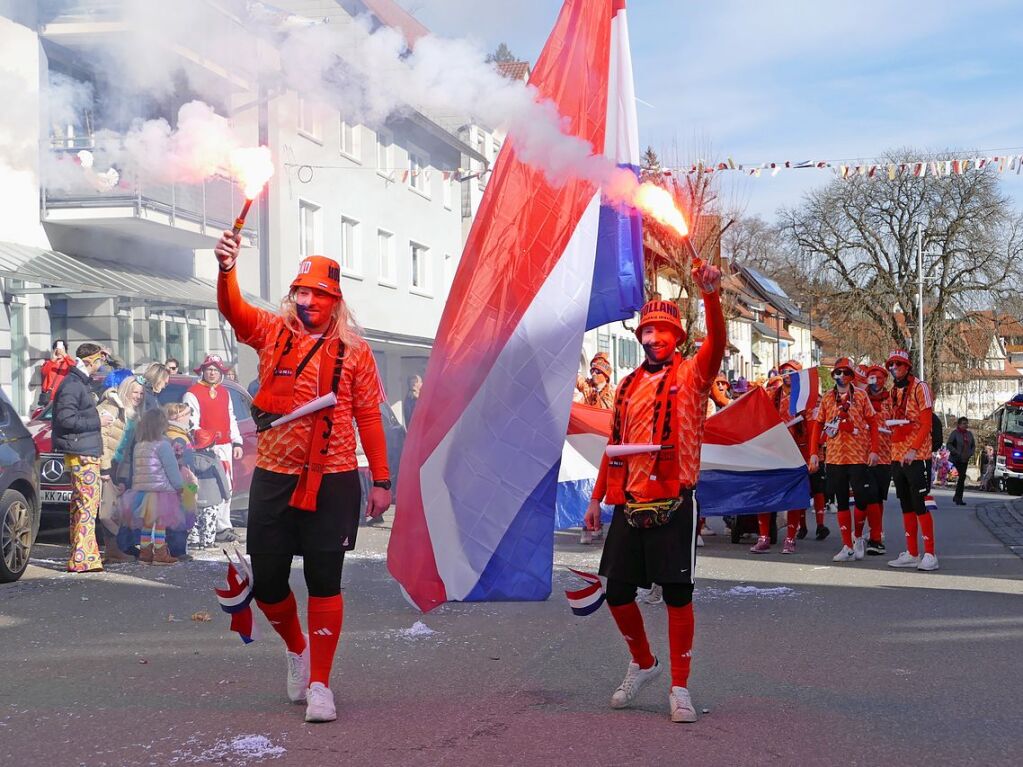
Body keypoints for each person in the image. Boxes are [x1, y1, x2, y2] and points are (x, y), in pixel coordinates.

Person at [215, 230, 391, 724]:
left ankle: (321, 685)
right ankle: (297, 650)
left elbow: (370, 417)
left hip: (333, 479)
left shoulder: (356, 351)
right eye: (302, 292)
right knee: (268, 582)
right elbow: (232, 310)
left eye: (319, 294)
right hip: (273, 476)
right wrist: (227, 269)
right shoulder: (271, 332)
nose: (309, 300)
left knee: (324, 581)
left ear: (336, 301)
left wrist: (380, 479)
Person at [583, 260, 725, 724]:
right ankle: (644, 662)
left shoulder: (692, 376)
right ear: (640, 337)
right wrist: (595, 499)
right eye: (648, 331)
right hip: (631, 502)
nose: (654, 337)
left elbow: (718, 345)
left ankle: (679, 687)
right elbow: (614, 446)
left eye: (663, 331)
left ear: (677, 337)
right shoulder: (625, 386)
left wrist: (711, 297)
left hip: (674, 501)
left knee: (678, 595)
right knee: (619, 593)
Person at [808, 356, 879, 563]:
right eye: (838, 372)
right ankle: (846, 545)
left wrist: (874, 450)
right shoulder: (828, 398)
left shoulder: (861, 396)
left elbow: (873, 423)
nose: (842, 376)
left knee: (861, 499)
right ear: (833, 375)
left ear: (852, 376)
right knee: (840, 501)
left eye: (846, 373)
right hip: (836, 457)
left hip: (858, 455)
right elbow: (817, 425)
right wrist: (814, 452)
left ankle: (858, 537)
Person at [52, 343, 111, 573]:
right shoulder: (73, 384)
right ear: (89, 361)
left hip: (84, 450)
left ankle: (86, 554)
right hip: (81, 453)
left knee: (83, 505)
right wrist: (98, 421)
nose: (100, 367)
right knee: (86, 506)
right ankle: (82, 558)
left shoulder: (78, 382)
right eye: (98, 362)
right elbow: (65, 419)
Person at [751, 360, 813, 555]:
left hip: (796, 452)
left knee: (793, 497)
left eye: (791, 371)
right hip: (772, 452)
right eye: (783, 371)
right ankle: (763, 537)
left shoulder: (804, 399)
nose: (787, 374)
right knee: (765, 494)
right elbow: (757, 415)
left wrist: (814, 455)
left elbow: (813, 427)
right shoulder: (772, 395)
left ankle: (790, 538)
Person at [885, 350, 939, 571]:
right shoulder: (893, 391)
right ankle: (912, 552)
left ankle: (930, 554)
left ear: (907, 366)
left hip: (918, 456)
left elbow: (927, 424)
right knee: (905, 504)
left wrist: (914, 448)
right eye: (891, 364)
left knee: (921, 504)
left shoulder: (920, 387)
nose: (894, 368)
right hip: (897, 455)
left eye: (898, 364)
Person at [183, 354, 244, 543]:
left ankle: (223, 526)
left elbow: (231, 418)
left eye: (215, 370)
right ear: (203, 370)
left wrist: (237, 441)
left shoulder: (225, 393)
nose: (212, 373)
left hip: (225, 446)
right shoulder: (192, 393)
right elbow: (191, 423)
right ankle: (205, 527)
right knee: (209, 489)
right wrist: (206, 443)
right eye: (209, 369)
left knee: (227, 485)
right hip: (205, 450)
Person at [120, 408, 187, 565]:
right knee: (160, 523)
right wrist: (179, 486)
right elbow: (171, 469)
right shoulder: (163, 445)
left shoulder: (139, 445)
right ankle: (160, 552)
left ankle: (145, 551)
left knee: (147, 523)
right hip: (161, 491)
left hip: (142, 491)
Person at [97, 374, 144, 563]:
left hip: (118, 465)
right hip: (105, 463)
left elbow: (127, 450)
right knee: (107, 510)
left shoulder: (134, 414)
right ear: (126, 390)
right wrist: (105, 468)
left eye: (141, 393)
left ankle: (113, 550)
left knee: (114, 509)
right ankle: (111, 551)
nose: (138, 396)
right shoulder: (113, 407)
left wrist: (123, 477)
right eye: (135, 392)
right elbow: (102, 438)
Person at [863, 364, 893, 555]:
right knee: (869, 496)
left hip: (886, 455)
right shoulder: (860, 398)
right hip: (863, 454)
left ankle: (877, 530)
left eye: (879, 378)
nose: (876, 381)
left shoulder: (891, 399)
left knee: (878, 497)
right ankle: (874, 537)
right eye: (872, 378)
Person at [188, 428, 231, 550]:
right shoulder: (214, 460)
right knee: (209, 521)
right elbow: (222, 479)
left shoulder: (189, 459)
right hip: (212, 496)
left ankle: (194, 542)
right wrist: (226, 495)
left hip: (194, 495)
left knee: (195, 520)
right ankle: (208, 543)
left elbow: (186, 478)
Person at [946, 417, 975, 506]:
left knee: (962, 478)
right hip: (956, 458)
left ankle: (958, 497)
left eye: (966, 423)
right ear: (959, 424)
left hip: (965, 459)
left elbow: (973, 445)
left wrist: (970, 453)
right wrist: (956, 452)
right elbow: (949, 444)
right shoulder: (955, 433)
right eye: (963, 423)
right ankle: (958, 497)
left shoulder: (969, 434)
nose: (965, 425)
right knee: (960, 477)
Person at [39, 339, 73, 407]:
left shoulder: (68, 363)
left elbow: (75, 368)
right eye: (57, 349)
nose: (59, 351)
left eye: (62, 349)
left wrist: (65, 355)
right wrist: (53, 360)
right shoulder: (49, 363)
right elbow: (44, 373)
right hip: (49, 397)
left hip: (63, 396)